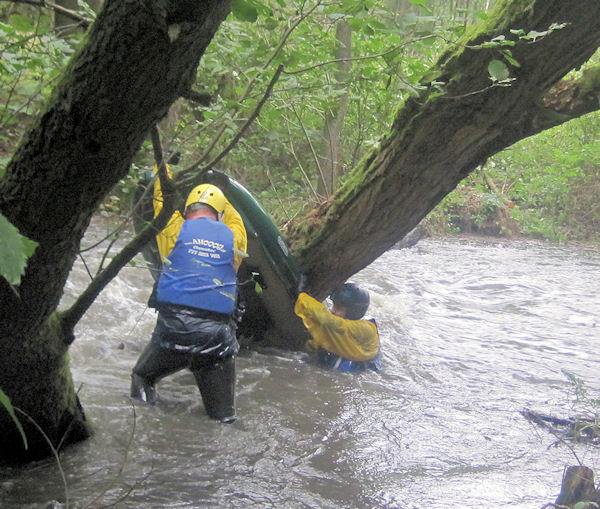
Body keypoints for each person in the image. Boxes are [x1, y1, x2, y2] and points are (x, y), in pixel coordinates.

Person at [131, 183, 247, 423]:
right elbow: (235, 218)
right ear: (221, 215)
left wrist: (166, 168)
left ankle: (143, 426)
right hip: (216, 341)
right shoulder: (235, 236)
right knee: (224, 419)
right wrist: (224, 196)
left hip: (172, 335)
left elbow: (160, 197)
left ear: (186, 212)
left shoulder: (173, 227)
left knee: (142, 377)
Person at [294, 282, 381, 373]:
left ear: (353, 312)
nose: (332, 310)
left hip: (362, 369)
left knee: (337, 367)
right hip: (348, 356)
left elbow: (327, 320)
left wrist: (302, 296)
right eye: (334, 305)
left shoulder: (366, 329)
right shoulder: (341, 330)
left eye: (338, 308)